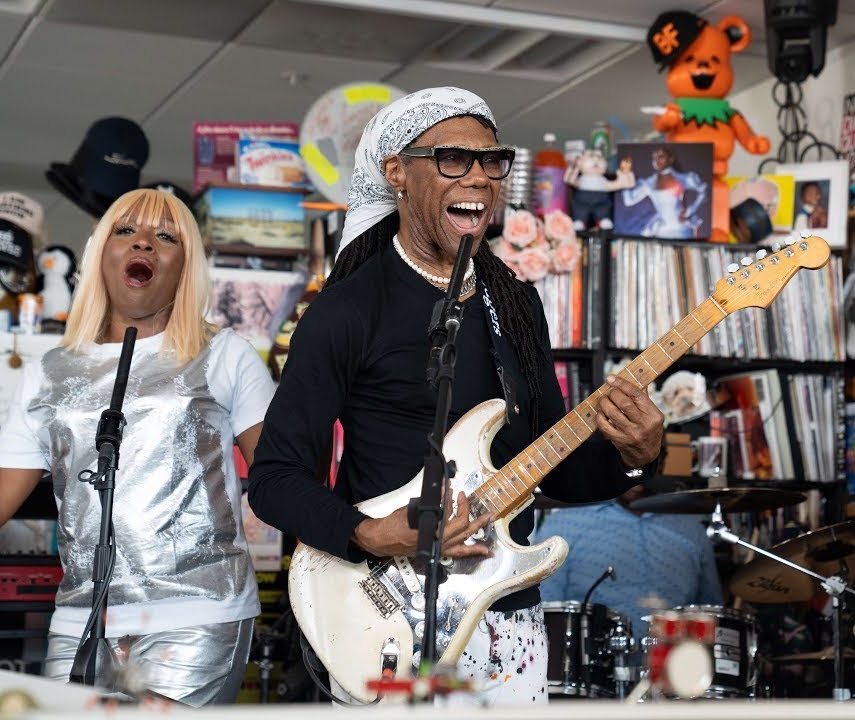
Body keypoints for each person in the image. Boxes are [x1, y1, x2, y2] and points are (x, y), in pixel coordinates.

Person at [246, 87, 665, 705]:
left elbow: (556, 470)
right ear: (396, 173)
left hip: (507, 617)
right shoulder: (347, 311)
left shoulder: (514, 305)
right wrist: (369, 532)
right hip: (380, 619)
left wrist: (637, 455)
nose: (478, 176)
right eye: (452, 159)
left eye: (492, 161)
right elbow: (274, 480)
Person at [0, 189, 274, 705]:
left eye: (166, 236)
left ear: (186, 265)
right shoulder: (51, 370)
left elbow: (284, 481)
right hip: (79, 620)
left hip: (196, 615)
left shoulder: (225, 355)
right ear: (100, 254)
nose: (144, 243)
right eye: (125, 230)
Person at [533, 483, 722, 638]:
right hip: (590, 665)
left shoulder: (693, 532)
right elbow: (546, 613)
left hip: (677, 664)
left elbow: (711, 612)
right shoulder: (563, 527)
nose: (637, 485)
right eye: (628, 462)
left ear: (662, 462)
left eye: (646, 465)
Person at [618, 146, 708, 239]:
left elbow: (704, 191)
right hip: (661, 231)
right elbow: (628, 201)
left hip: (682, 230)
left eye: (661, 157)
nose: (657, 161)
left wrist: (690, 210)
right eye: (654, 158)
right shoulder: (649, 183)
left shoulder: (684, 178)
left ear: (670, 159)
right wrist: (625, 174)